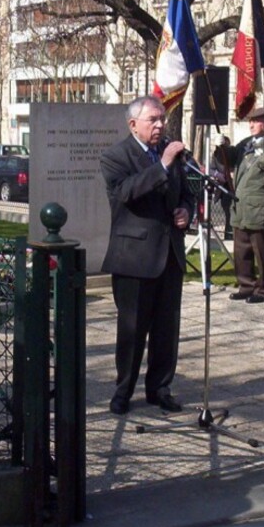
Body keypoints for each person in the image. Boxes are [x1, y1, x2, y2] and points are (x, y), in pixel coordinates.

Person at [100, 96, 195, 415]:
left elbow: (186, 194)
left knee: (166, 329)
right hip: (134, 257)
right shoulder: (116, 156)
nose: (160, 125)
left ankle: (160, 387)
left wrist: (186, 211)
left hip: (169, 254)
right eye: (153, 120)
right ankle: (123, 390)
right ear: (133, 125)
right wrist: (163, 165)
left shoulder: (173, 154)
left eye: (162, 119)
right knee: (132, 329)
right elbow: (126, 193)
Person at [214, 107, 264, 303]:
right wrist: (221, 147)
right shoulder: (246, 144)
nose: (251, 125)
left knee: (261, 250)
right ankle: (246, 285)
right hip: (241, 206)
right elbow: (229, 159)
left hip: (260, 206)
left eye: (256, 121)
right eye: (250, 121)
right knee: (241, 249)